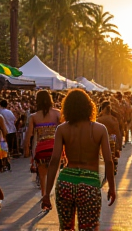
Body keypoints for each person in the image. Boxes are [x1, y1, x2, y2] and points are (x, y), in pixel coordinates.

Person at [41, 89, 116, 231]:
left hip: (66, 183)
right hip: (89, 185)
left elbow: (55, 160)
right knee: (88, 228)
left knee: (66, 228)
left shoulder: (62, 129)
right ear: (89, 106)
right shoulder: (100, 129)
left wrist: (46, 193)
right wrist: (112, 187)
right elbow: (109, 161)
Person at [24, 90, 61, 196]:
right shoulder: (57, 113)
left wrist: (27, 148)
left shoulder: (34, 117)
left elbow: (29, 135)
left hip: (41, 149)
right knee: (54, 172)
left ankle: (45, 195)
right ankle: (53, 192)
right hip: (55, 148)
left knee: (42, 174)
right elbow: (63, 131)